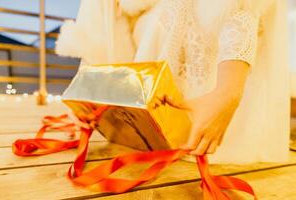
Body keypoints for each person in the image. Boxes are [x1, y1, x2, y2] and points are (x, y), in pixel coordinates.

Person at [55, 0, 290, 164]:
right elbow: (99, 21)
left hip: (216, 91)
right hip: (145, 113)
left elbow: (239, 7)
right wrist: (91, 89)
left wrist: (227, 92)